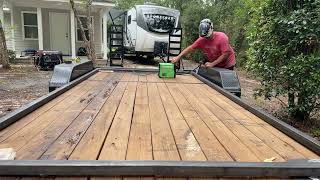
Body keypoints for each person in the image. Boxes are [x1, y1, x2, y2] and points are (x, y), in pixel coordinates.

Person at [171, 19, 236, 70]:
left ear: (211, 29)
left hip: (227, 64)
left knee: (225, 83)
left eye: (207, 37)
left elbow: (225, 54)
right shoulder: (202, 39)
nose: (206, 39)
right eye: (205, 37)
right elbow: (190, 48)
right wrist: (178, 57)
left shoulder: (222, 37)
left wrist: (212, 64)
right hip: (216, 63)